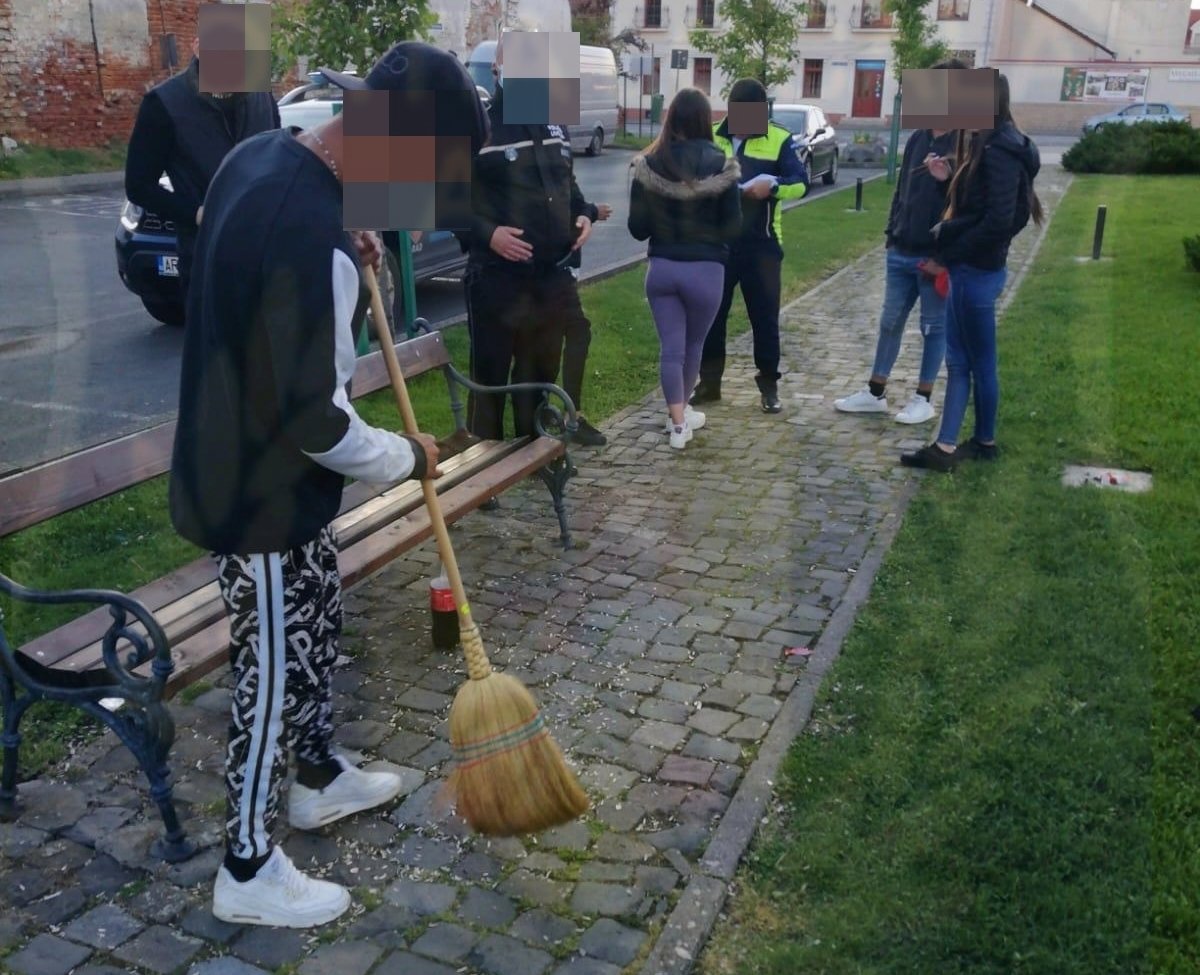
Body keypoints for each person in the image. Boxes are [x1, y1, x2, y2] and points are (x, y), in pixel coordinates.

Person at [169, 41, 486, 927]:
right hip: (255, 493)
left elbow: (233, 248)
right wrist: (409, 457)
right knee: (268, 669)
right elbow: (316, 418)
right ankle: (244, 864)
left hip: (274, 475)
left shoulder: (265, 154)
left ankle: (317, 776)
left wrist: (341, 242)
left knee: (315, 619)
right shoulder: (313, 237)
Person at [901, 71, 1042, 471]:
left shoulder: (998, 149)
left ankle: (948, 447)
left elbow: (999, 219)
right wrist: (949, 184)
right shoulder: (994, 143)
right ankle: (981, 440)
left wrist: (951, 245)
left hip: (975, 270)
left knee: (965, 361)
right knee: (977, 360)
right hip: (979, 266)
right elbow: (985, 210)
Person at [461, 32, 597, 445]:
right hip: (497, 278)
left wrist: (584, 216)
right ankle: (482, 471)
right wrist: (489, 235)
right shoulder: (479, 127)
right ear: (499, 70)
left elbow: (570, 189)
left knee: (538, 375)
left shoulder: (554, 124)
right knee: (491, 376)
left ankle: (532, 453)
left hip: (549, 278)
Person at [835, 59, 968, 425]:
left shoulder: (964, 142)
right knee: (890, 321)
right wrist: (892, 234)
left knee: (932, 327)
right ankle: (875, 392)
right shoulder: (918, 138)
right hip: (901, 250)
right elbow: (902, 192)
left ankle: (923, 397)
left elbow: (967, 204)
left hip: (934, 257)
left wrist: (943, 256)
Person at [124, 32, 280, 313]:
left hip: (266, 255)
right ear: (198, 47)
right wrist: (196, 214)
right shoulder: (163, 103)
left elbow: (278, 159)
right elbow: (138, 185)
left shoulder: (261, 96)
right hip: (207, 259)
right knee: (213, 354)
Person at [628, 88, 741, 449]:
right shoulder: (721, 162)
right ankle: (683, 413)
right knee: (693, 345)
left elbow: (637, 228)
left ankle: (677, 423)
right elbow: (733, 225)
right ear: (705, 120)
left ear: (671, 118)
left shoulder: (650, 164)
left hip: (662, 269)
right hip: (706, 271)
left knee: (670, 349)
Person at [693, 78, 809, 414]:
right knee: (712, 316)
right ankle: (709, 383)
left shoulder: (779, 138)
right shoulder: (711, 134)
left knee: (765, 317)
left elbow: (800, 183)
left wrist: (771, 186)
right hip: (718, 244)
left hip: (762, 246)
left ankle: (769, 386)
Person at [560, 200, 613, 447]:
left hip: (564, 262)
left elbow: (573, 199)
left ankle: (570, 415)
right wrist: (590, 211)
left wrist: (588, 212)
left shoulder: (563, 160)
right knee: (575, 332)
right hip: (551, 267)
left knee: (578, 332)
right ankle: (567, 418)